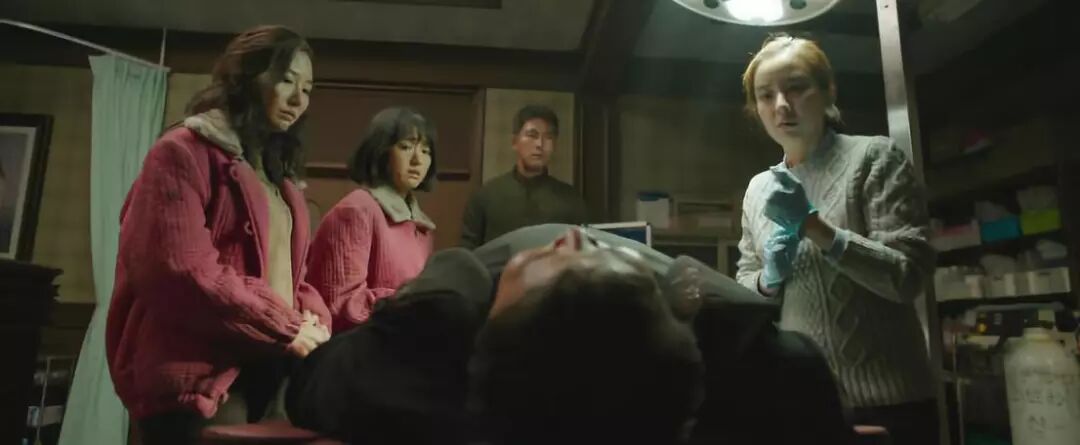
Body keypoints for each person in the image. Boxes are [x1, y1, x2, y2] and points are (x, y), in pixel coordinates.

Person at [287, 224, 855, 445]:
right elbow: (794, 373)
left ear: (488, 328)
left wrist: (433, 298)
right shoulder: (760, 367)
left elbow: (314, 380)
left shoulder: (428, 352)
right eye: (623, 269)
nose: (576, 238)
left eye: (544, 263)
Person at [106, 26, 331, 445]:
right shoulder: (182, 151)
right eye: (286, 81)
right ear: (245, 77)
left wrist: (313, 317)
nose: (299, 100)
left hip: (271, 369)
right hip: (202, 378)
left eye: (307, 89)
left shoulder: (277, 176)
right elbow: (179, 270)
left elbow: (292, 275)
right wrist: (284, 326)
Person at [735, 34, 938, 445]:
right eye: (766, 95)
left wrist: (816, 228)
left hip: (890, 400)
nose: (781, 105)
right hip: (801, 399)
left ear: (829, 91)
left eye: (796, 88)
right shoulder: (758, 189)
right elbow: (744, 282)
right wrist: (767, 280)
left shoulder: (874, 158)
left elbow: (908, 277)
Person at [305, 107, 437, 332]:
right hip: (360, 345)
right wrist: (411, 302)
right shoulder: (357, 210)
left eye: (425, 151)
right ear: (381, 151)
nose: (418, 160)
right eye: (406, 147)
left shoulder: (422, 226)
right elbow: (343, 304)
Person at [459, 105, 588, 248]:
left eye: (548, 137)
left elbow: (584, 251)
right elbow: (467, 252)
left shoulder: (570, 200)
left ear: (555, 144)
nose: (539, 144)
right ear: (515, 142)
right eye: (532, 135)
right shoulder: (485, 197)